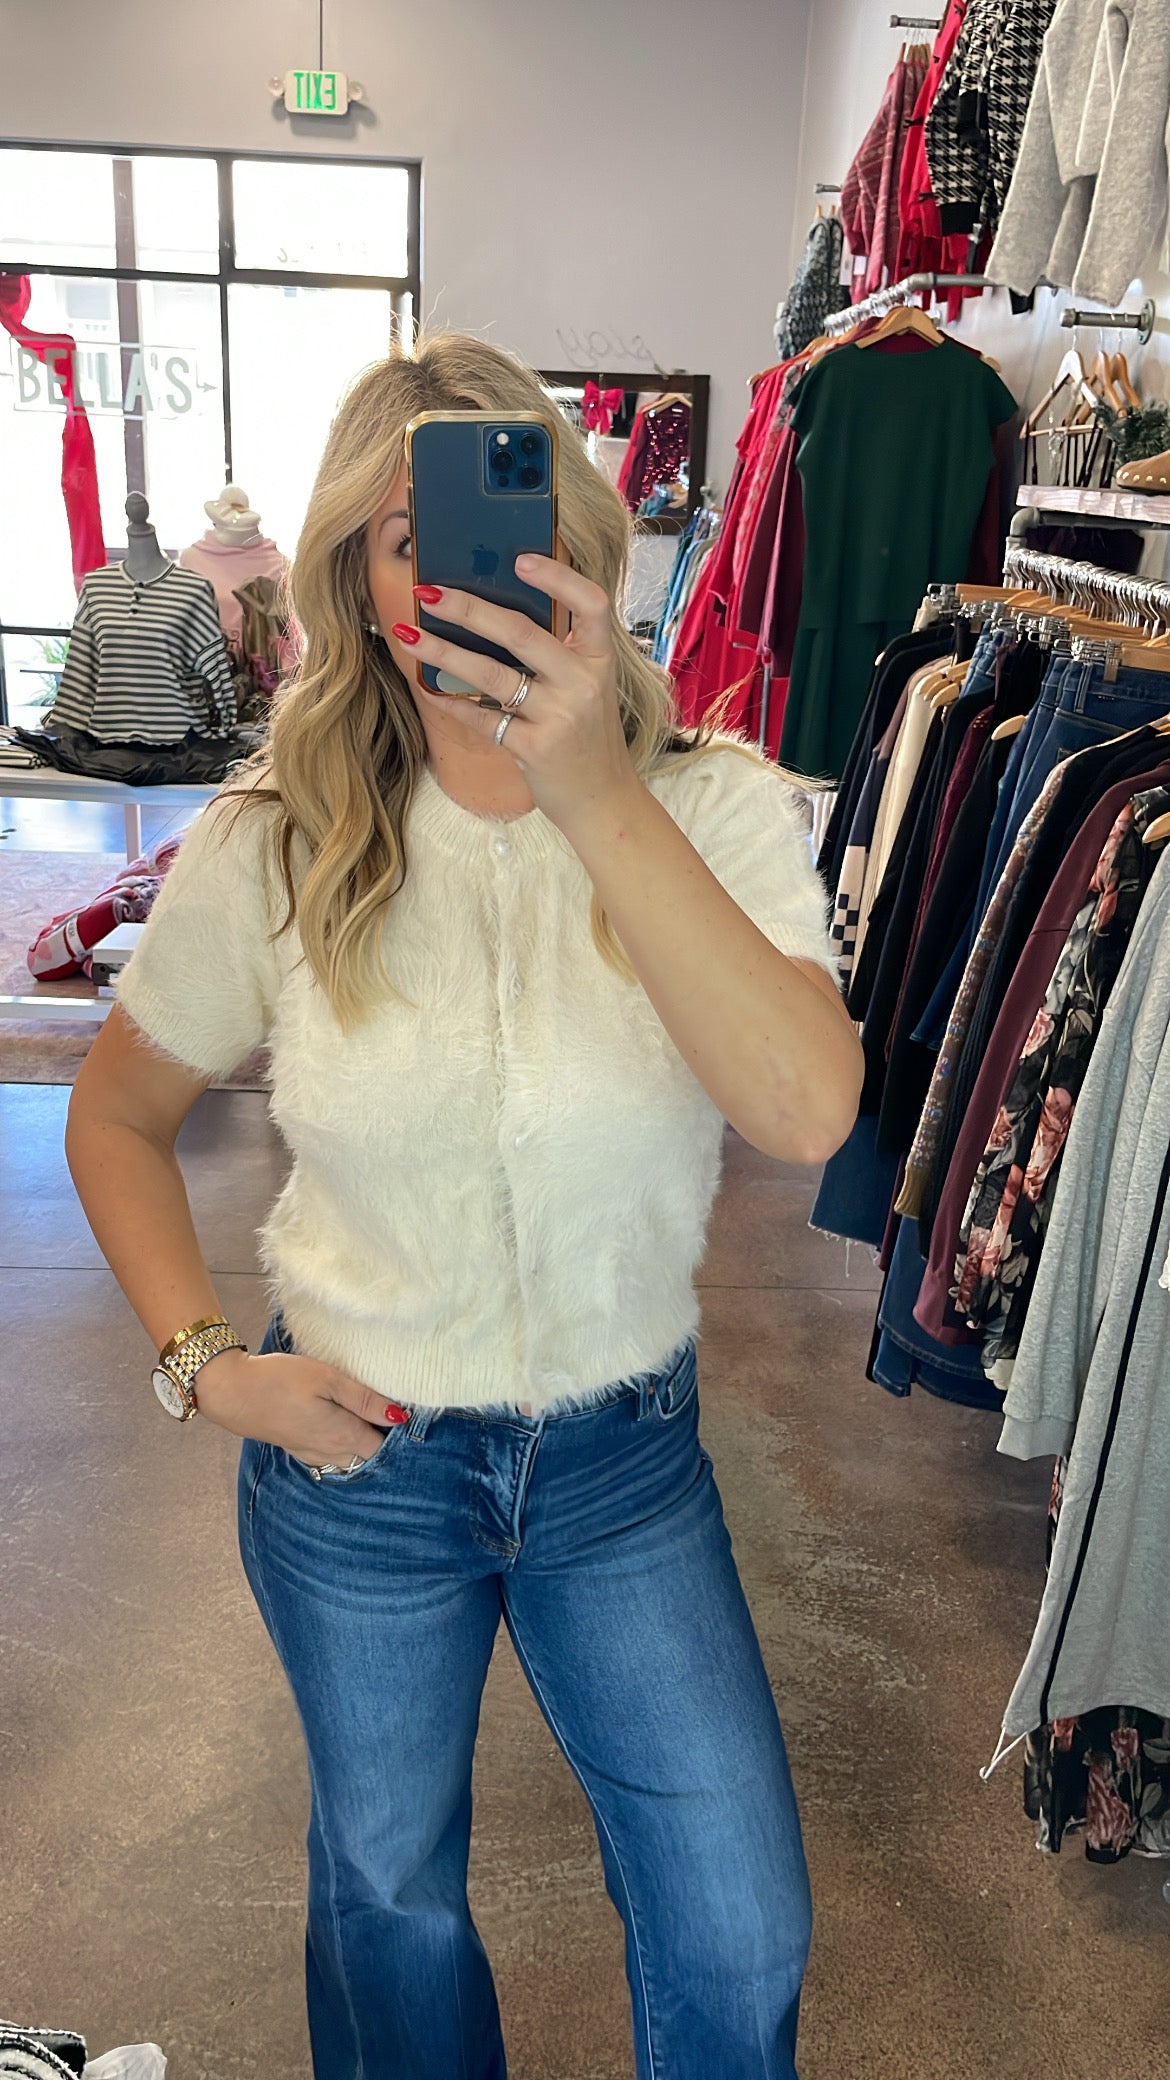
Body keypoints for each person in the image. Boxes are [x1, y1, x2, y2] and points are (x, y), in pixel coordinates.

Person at [65, 331, 863, 2080]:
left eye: (503, 521)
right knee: (389, 1895)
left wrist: (590, 785)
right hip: (360, 1458)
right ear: (358, 581)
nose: (458, 570)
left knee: (736, 1921)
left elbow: (804, 1110)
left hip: (620, 1461)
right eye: (406, 536)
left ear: (573, 545)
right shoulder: (283, 836)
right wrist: (210, 1367)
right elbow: (115, 1115)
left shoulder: (712, 806)